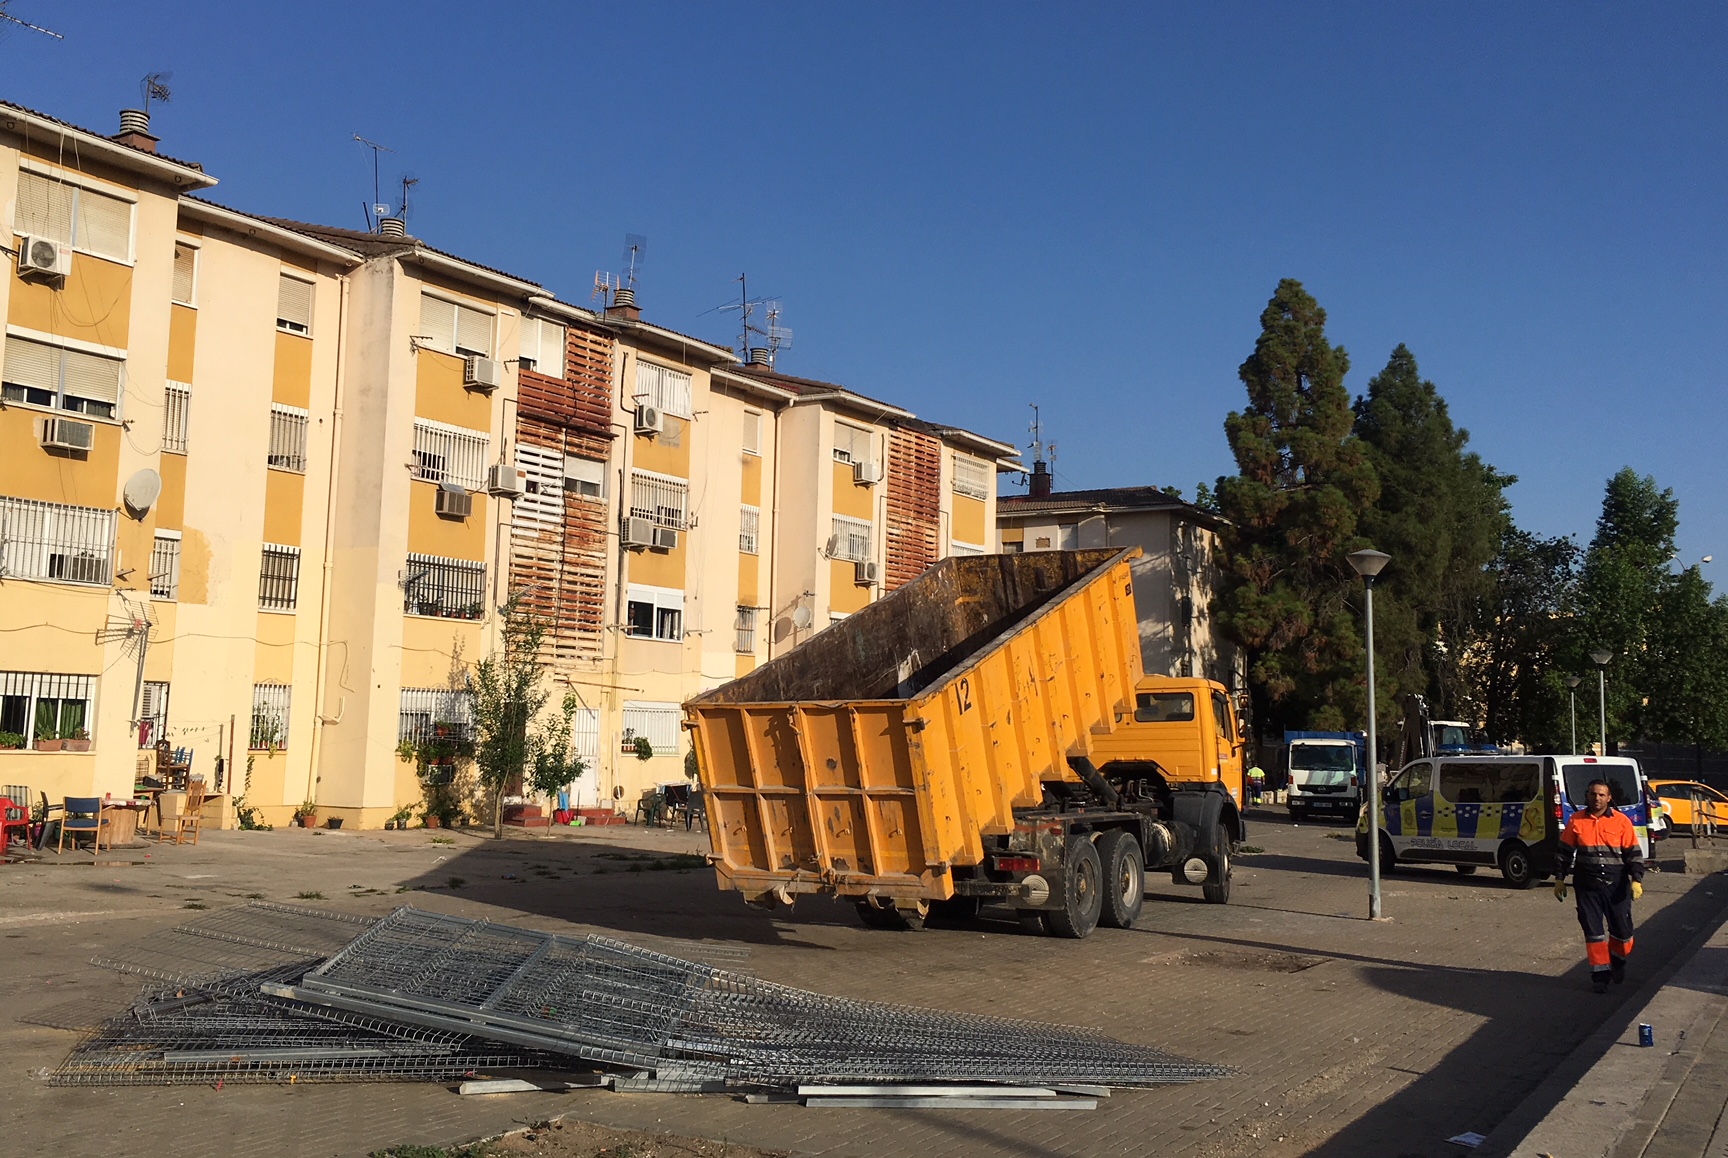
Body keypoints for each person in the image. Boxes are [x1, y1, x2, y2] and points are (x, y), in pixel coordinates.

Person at [1554, 778, 1645, 994]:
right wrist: (1559, 878)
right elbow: (1564, 853)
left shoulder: (1621, 822)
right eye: (1593, 794)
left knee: (1622, 932)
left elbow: (1633, 854)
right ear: (1588, 795)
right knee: (1594, 933)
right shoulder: (1576, 821)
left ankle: (1618, 961)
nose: (1597, 798)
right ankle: (1600, 976)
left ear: (1609, 798)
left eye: (1602, 795)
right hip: (1588, 885)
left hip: (1617, 885)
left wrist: (1637, 880)